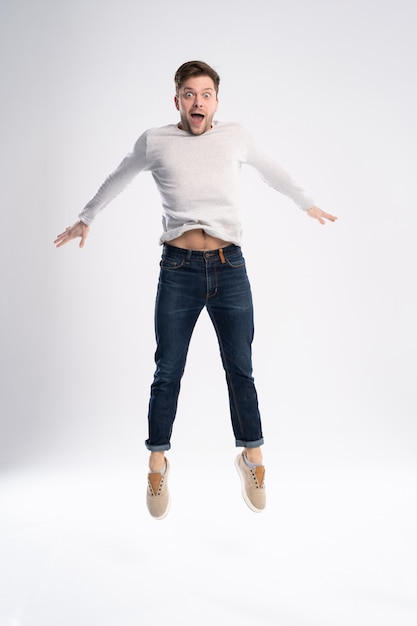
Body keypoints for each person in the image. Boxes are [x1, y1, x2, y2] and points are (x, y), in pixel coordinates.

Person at [54, 60, 337, 520]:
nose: (197, 102)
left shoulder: (236, 136)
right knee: (168, 371)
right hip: (179, 268)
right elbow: (118, 177)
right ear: (178, 101)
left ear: (216, 101)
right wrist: (87, 216)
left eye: (206, 94)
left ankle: (253, 458)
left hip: (230, 267)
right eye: (189, 94)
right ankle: (157, 463)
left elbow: (273, 172)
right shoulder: (156, 141)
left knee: (240, 369)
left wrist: (307, 204)